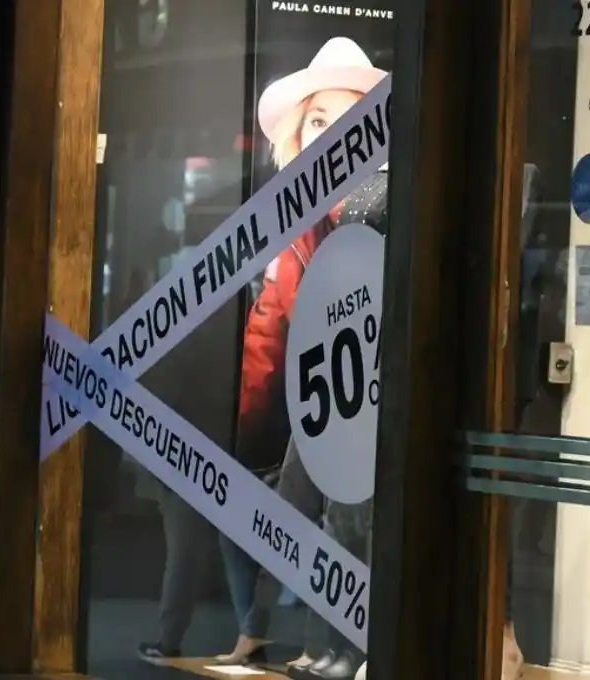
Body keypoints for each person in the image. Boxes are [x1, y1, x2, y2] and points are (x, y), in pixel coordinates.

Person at [215, 36, 388, 667]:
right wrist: (243, 431)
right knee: (291, 520)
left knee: (347, 522)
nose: (331, 133)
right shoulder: (296, 224)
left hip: (362, 392)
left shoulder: (377, 201)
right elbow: (266, 333)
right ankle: (307, 640)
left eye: (348, 119)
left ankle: (345, 645)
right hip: (322, 394)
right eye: (319, 119)